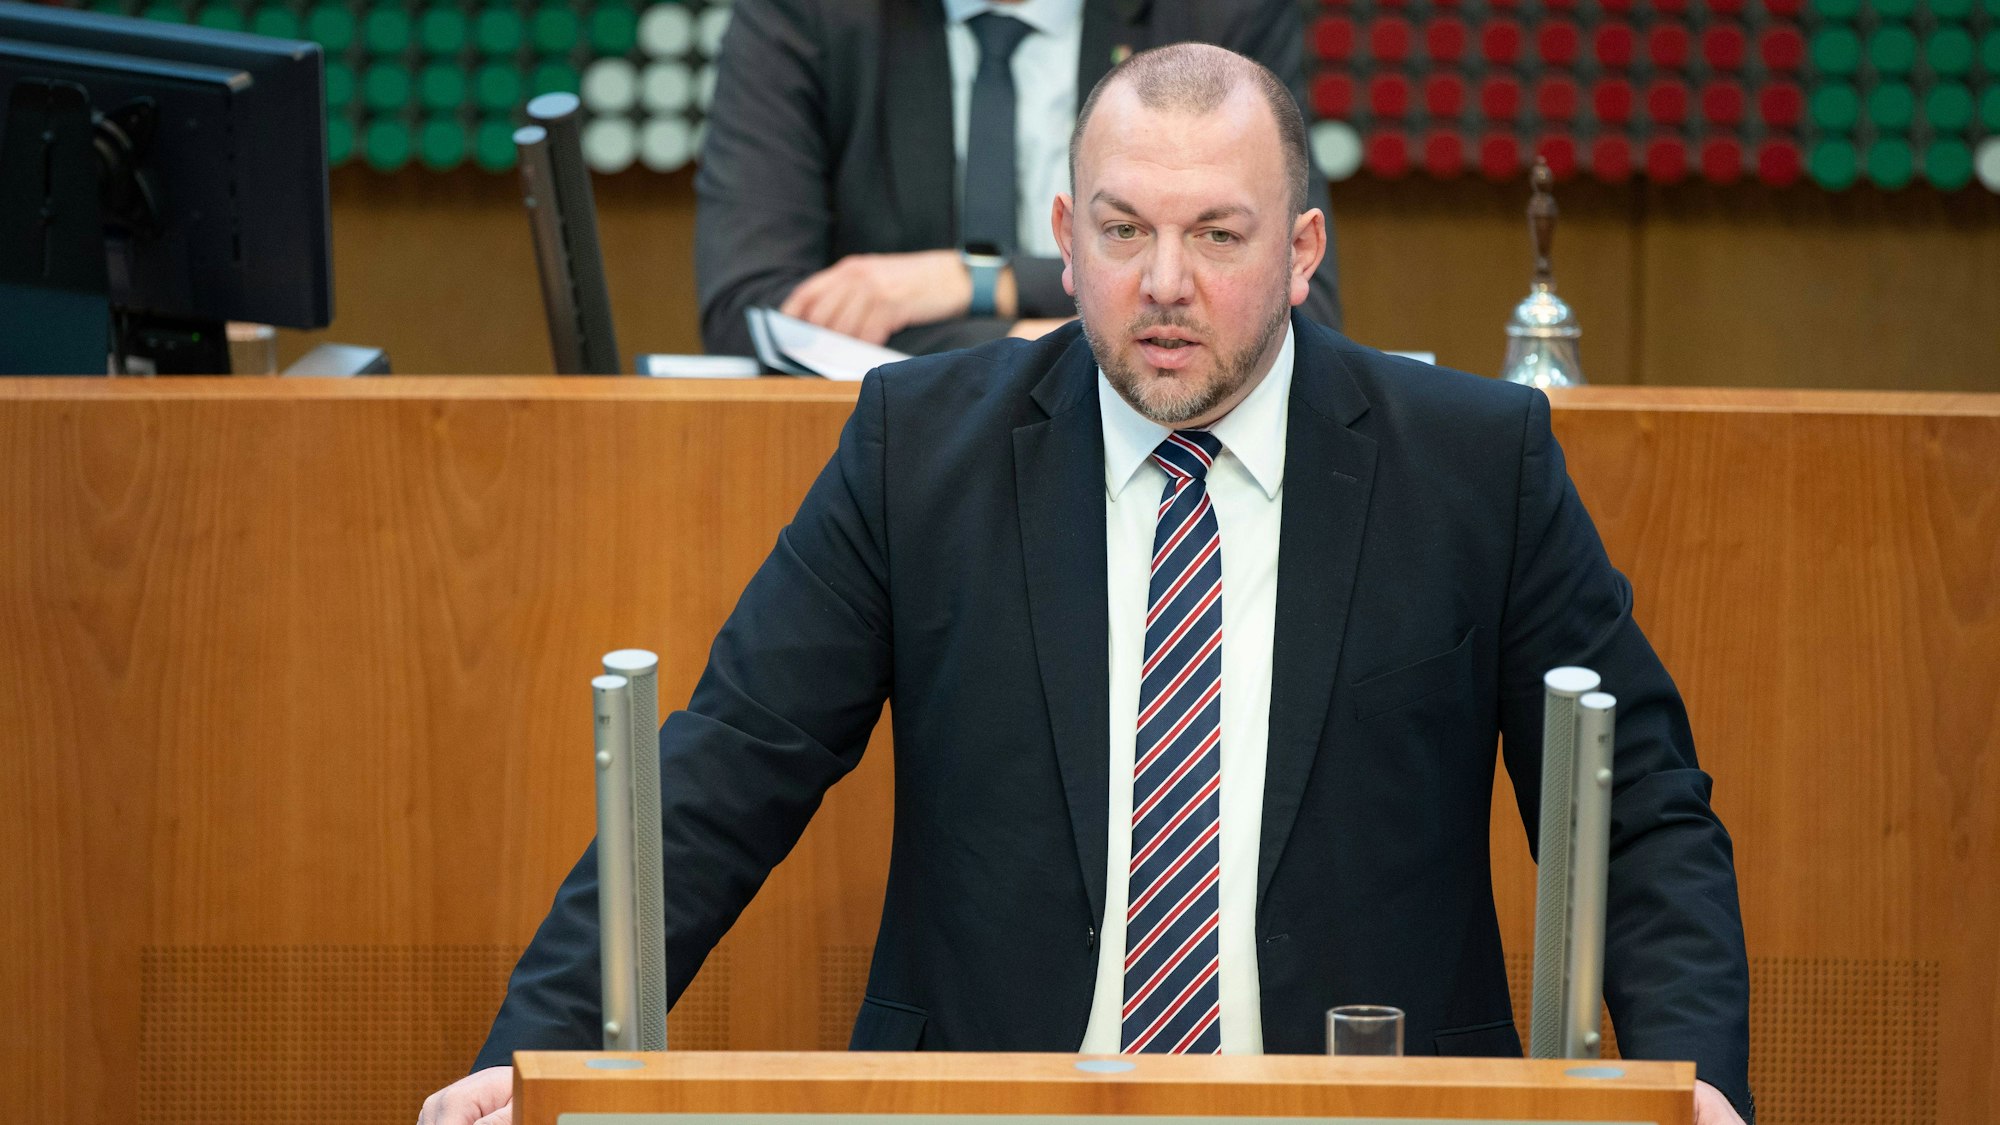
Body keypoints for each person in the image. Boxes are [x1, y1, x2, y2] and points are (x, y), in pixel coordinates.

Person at [421, 44, 1752, 1125]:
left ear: (1301, 252)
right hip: (990, 1111)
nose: (1164, 284)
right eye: (1124, 231)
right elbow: (723, 774)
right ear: (1066, 237)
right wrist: (531, 1056)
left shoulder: (1472, 466)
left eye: (1217, 235)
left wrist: (1694, 1084)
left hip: (1368, 1109)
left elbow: (1636, 810)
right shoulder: (917, 452)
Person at [694, 0, 1342, 357]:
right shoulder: (805, 15)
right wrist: (1044, 346)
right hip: (893, 451)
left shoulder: (1216, 16)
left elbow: (1293, 303)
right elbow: (753, 312)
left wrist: (974, 281)